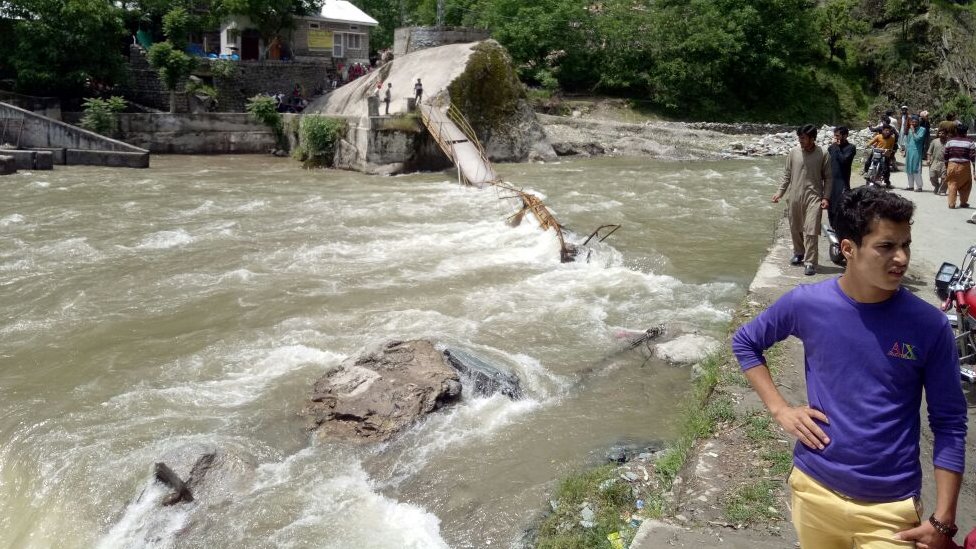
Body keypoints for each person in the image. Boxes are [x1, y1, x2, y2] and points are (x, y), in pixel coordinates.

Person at [733, 185, 967, 549]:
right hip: (815, 491)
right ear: (848, 249)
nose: (902, 258)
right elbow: (746, 342)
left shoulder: (928, 325)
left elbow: (950, 422)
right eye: (886, 246)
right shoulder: (808, 304)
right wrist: (780, 409)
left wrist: (944, 519)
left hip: (892, 509)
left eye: (905, 244)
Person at [772, 124, 831, 276]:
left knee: (811, 230)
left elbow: (828, 178)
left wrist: (826, 197)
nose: (800, 140)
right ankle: (799, 253)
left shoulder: (823, 153)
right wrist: (780, 192)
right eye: (799, 137)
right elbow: (787, 175)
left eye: (803, 138)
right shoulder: (793, 152)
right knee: (795, 226)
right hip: (795, 196)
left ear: (812, 138)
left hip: (814, 197)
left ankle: (810, 262)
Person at [827, 126, 856, 229]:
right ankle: (833, 228)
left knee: (841, 207)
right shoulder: (831, 148)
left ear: (845, 135)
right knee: (830, 208)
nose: (836, 138)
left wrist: (837, 148)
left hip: (842, 182)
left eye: (838, 136)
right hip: (831, 182)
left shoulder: (851, 148)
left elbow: (844, 161)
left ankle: (840, 230)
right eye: (835, 136)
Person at [944, 123, 976, 209]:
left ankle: (951, 204)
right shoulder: (970, 142)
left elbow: (946, 155)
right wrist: (974, 170)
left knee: (952, 184)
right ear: (966, 132)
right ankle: (963, 202)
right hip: (965, 166)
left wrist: (947, 166)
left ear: (956, 131)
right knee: (966, 184)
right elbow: (973, 157)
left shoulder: (950, 141)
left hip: (952, 165)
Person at [904, 115, 928, 191]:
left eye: (915, 122)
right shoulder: (910, 129)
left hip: (916, 151)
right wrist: (905, 150)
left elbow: (918, 139)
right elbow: (908, 141)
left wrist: (914, 131)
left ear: (918, 122)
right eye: (912, 122)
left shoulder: (922, 129)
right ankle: (910, 186)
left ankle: (919, 187)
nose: (913, 123)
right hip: (909, 151)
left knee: (916, 168)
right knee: (909, 168)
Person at [928, 128, 949, 195]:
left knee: (944, 178)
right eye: (939, 133)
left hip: (945, 162)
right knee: (932, 176)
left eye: (943, 133)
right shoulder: (934, 141)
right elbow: (929, 152)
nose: (941, 134)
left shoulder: (949, 143)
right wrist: (928, 159)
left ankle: (942, 190)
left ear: (946, 134)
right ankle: (936, 186)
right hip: (935, 161)